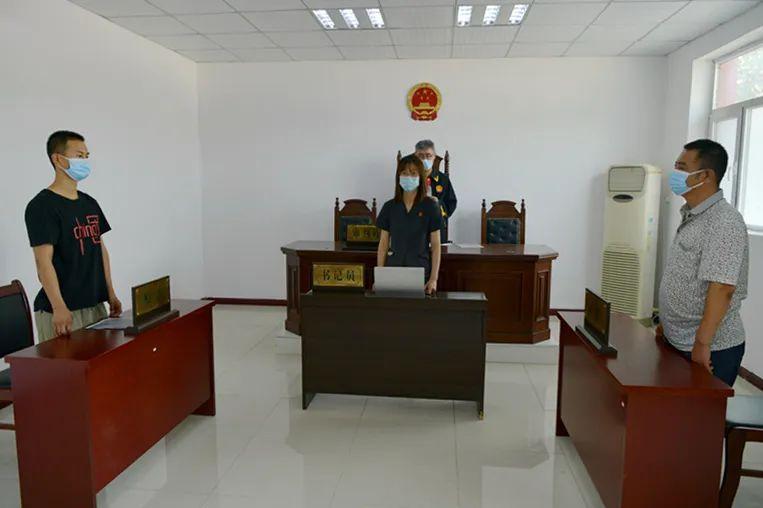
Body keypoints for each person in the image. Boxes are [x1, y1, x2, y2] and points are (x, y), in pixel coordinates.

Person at [657, 139, 748, 387]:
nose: (674, 174)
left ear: (705, 176)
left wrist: (702, 343)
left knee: (699, 412)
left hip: (710, 348)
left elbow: (723, 287)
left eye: (681, 167)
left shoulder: (724, 221)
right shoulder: (693, 213)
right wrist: (666, 322)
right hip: (678, 339)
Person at [24, 131, 121, 341]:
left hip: (95, 304)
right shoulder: (42, 206)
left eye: (86, 156)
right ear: (58, 159)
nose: (84, 162)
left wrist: (110, 293)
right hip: (63, 311)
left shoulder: (89, 203)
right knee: (64, 363)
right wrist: (58, 306)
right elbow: (43, 263)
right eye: (79, 156)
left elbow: (101, 250)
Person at [376, 154, 442, 295]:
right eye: (404, 173)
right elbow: (383, 244)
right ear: (398, 177)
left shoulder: (431, 206)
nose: (408, 177)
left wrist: (433, 279)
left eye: (413, 173)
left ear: (421, 177)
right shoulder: (389, 207)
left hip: (420, 273)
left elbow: (436, 246)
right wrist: (380, 276)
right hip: (393, 271)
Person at [413, 139, 457, 243]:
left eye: (428, 156)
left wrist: (438, 205)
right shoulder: (409, 177)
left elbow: (451, 202)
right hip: (413, 228)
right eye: (421, 156)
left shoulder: (443, 179)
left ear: (434, 157)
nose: (425, 159)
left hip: (437, 228)